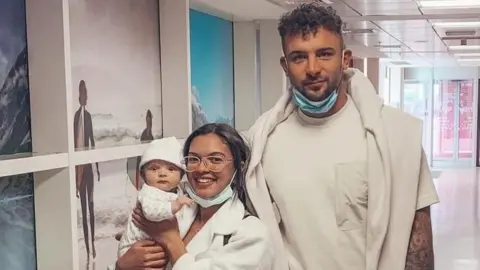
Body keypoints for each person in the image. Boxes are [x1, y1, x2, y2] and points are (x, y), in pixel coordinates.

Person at [245, 4, 439, 270]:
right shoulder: (262, 141)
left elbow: (418, 245)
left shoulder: (396, 136)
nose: (313, 68)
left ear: (345, 59)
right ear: (285, 65)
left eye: (324, 54)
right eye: (299, 57)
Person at [112, 123, 275, 270]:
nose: (202, 168)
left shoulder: (252, 235)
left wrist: (170, 238)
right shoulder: (175, 209)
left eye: (215, 159)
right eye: (193, 159)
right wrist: (121, 266)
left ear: (238, 167)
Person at [117, 137, 195, 258]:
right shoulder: (149, 192)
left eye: (171, 169)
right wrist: (174, 205)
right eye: (154, 168)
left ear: (181, 175)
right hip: (132, 249)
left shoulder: (179, 191)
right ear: (143, 174)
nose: (162, 173)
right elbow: (150, 212)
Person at [74, 79, 101, 259]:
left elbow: (91, 142)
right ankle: (86, 247)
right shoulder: (76, 117)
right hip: (79, 171)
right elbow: (74, 143)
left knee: (91, 206)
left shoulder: (89, 116)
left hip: (89, 169)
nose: (86, 96)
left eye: (87, 93)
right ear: (79, 96)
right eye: (84, 93)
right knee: (83, 210)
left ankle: (92, 242)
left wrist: (97, 166)